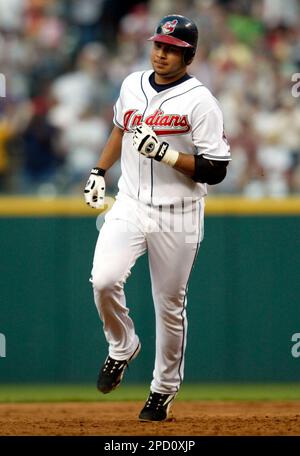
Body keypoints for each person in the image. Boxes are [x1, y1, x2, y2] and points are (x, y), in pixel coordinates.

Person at [84, 14, 231, 422]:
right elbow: (119, 128)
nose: (161, 53)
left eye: (172, 49)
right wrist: (99, 171)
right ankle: (122, 345)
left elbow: (216, 168)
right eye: (158, 45)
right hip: (130, 203)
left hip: (179, 212)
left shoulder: (201, 101)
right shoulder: (132, 84)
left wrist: (167, 154)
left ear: (188, 55)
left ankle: (162, 390)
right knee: (104, 279)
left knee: (169, 305)